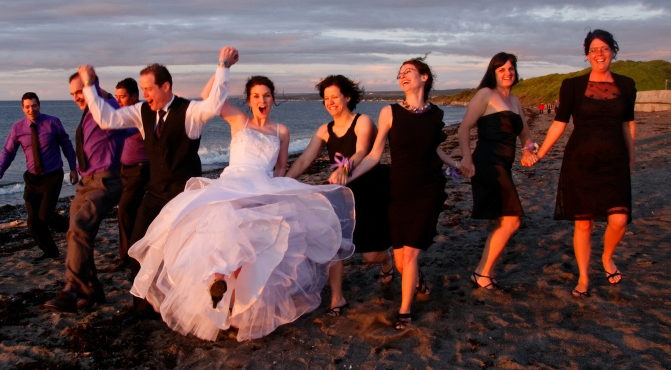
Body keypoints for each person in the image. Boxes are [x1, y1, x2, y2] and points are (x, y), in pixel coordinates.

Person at [126, 75, 355, 341]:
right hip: (233, 183)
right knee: (224, 232)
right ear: (248, 101)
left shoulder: (281, 131)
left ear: (273, 99)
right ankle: (219, 283)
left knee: (251, 248)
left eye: (267, 95)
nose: (262, 100)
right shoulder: (238, 119)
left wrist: (280, 192)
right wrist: (223, 67)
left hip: (261, 185)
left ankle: (231, 305)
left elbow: (281, 168)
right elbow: (207, 93)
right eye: (256, 96)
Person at [78, 46, 239, 322]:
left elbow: (213, 103)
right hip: (154, 194)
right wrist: (90, 86)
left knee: (182, 256)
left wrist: (223, 66)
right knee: (137, 248)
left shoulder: (189, 112)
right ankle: (142, 309)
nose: (145, 94)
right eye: (142, 89)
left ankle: (193, 305)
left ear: (166, 86)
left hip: (184, 196)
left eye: (149, 89)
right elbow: (106, 119)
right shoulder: (142, 112)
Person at [330, 57, 455, 330]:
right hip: (398, 191)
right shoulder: (390, 112)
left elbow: (435, 149)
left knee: (409, 254)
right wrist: (347, 175)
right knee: (400, 259)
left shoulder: (435, 115)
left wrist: (458, 164)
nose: (403, 76)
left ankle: (405, 310)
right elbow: (374, 155)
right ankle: (418, 282)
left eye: (408, 71)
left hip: (426, 189)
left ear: (424, 77)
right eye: (400, 73)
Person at [535, 29, 636, 297]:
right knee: (584, 223)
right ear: (586, 55)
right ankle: (583, 277)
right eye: (594, 49)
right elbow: (559, 124)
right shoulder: (573, 86)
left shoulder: (627, 84)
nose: (599, 53)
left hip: (615, 161)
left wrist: (632, 158)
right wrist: (541, 153)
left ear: (613, 51)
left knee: (619, 220)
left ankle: (606, 257)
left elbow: (628, 124)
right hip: (580, 161)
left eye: (604, 48)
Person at [286, 75, 392, 316]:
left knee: (370, 256)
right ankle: (337, 299)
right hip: (340, 193)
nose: (330, 102)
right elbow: (303, 160)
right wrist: (284, 181)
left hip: (369, 191)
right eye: (326, 98)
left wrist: (344, 167)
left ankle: (386, 261)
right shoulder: (325, 130)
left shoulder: (363, 121)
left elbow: (362, 151)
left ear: (347, 97)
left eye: (335, 96)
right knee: (333, 245)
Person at [42, 74, 127, 313]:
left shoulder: (107, 108)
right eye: (72, 93)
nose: (76, 97)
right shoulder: (88, 114)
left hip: (106, 182)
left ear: (93, 88)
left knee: (80, 225)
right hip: (85, 182)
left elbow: (118, 119)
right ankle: (92, 289)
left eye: (80, 91)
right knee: (74, 233)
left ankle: (72, 290)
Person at [457, 52, 538, 290]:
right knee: (511, 221)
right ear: (493, 72)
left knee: (504, 221)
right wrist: (467, 158)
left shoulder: (515, 100)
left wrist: (528, 151)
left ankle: (483, 273)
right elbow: (463, 129)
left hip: (505, 166)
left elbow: (526, 135)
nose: (507, 72)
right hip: (487, 163)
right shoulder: (485, 95)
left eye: (511, 68)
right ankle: (481, 272)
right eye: (501, 69)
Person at [0, 92, 78, 261]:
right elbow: (9, 151)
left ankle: (75, 230)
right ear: (23, 108)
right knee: (33, 222)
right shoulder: (18, 128)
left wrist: (73, 168)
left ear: (40, 105)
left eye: (34, 105)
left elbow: (66, 145)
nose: (32, 110)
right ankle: (50, 251)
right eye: (28, 107)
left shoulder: (52, 122)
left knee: (45, 215)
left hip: (52, 176)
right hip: (32, 178)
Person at [113, 78, 148, 270]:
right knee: (129, 212)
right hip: (123, 169)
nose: (118, 100)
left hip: (141, 170)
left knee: (124, 210)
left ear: (134, 96)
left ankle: (127, 257)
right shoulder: (121, 113)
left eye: (123, 96)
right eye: (116, 97)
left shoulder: (142, 112)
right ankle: (134, 251)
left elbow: (122, 131)